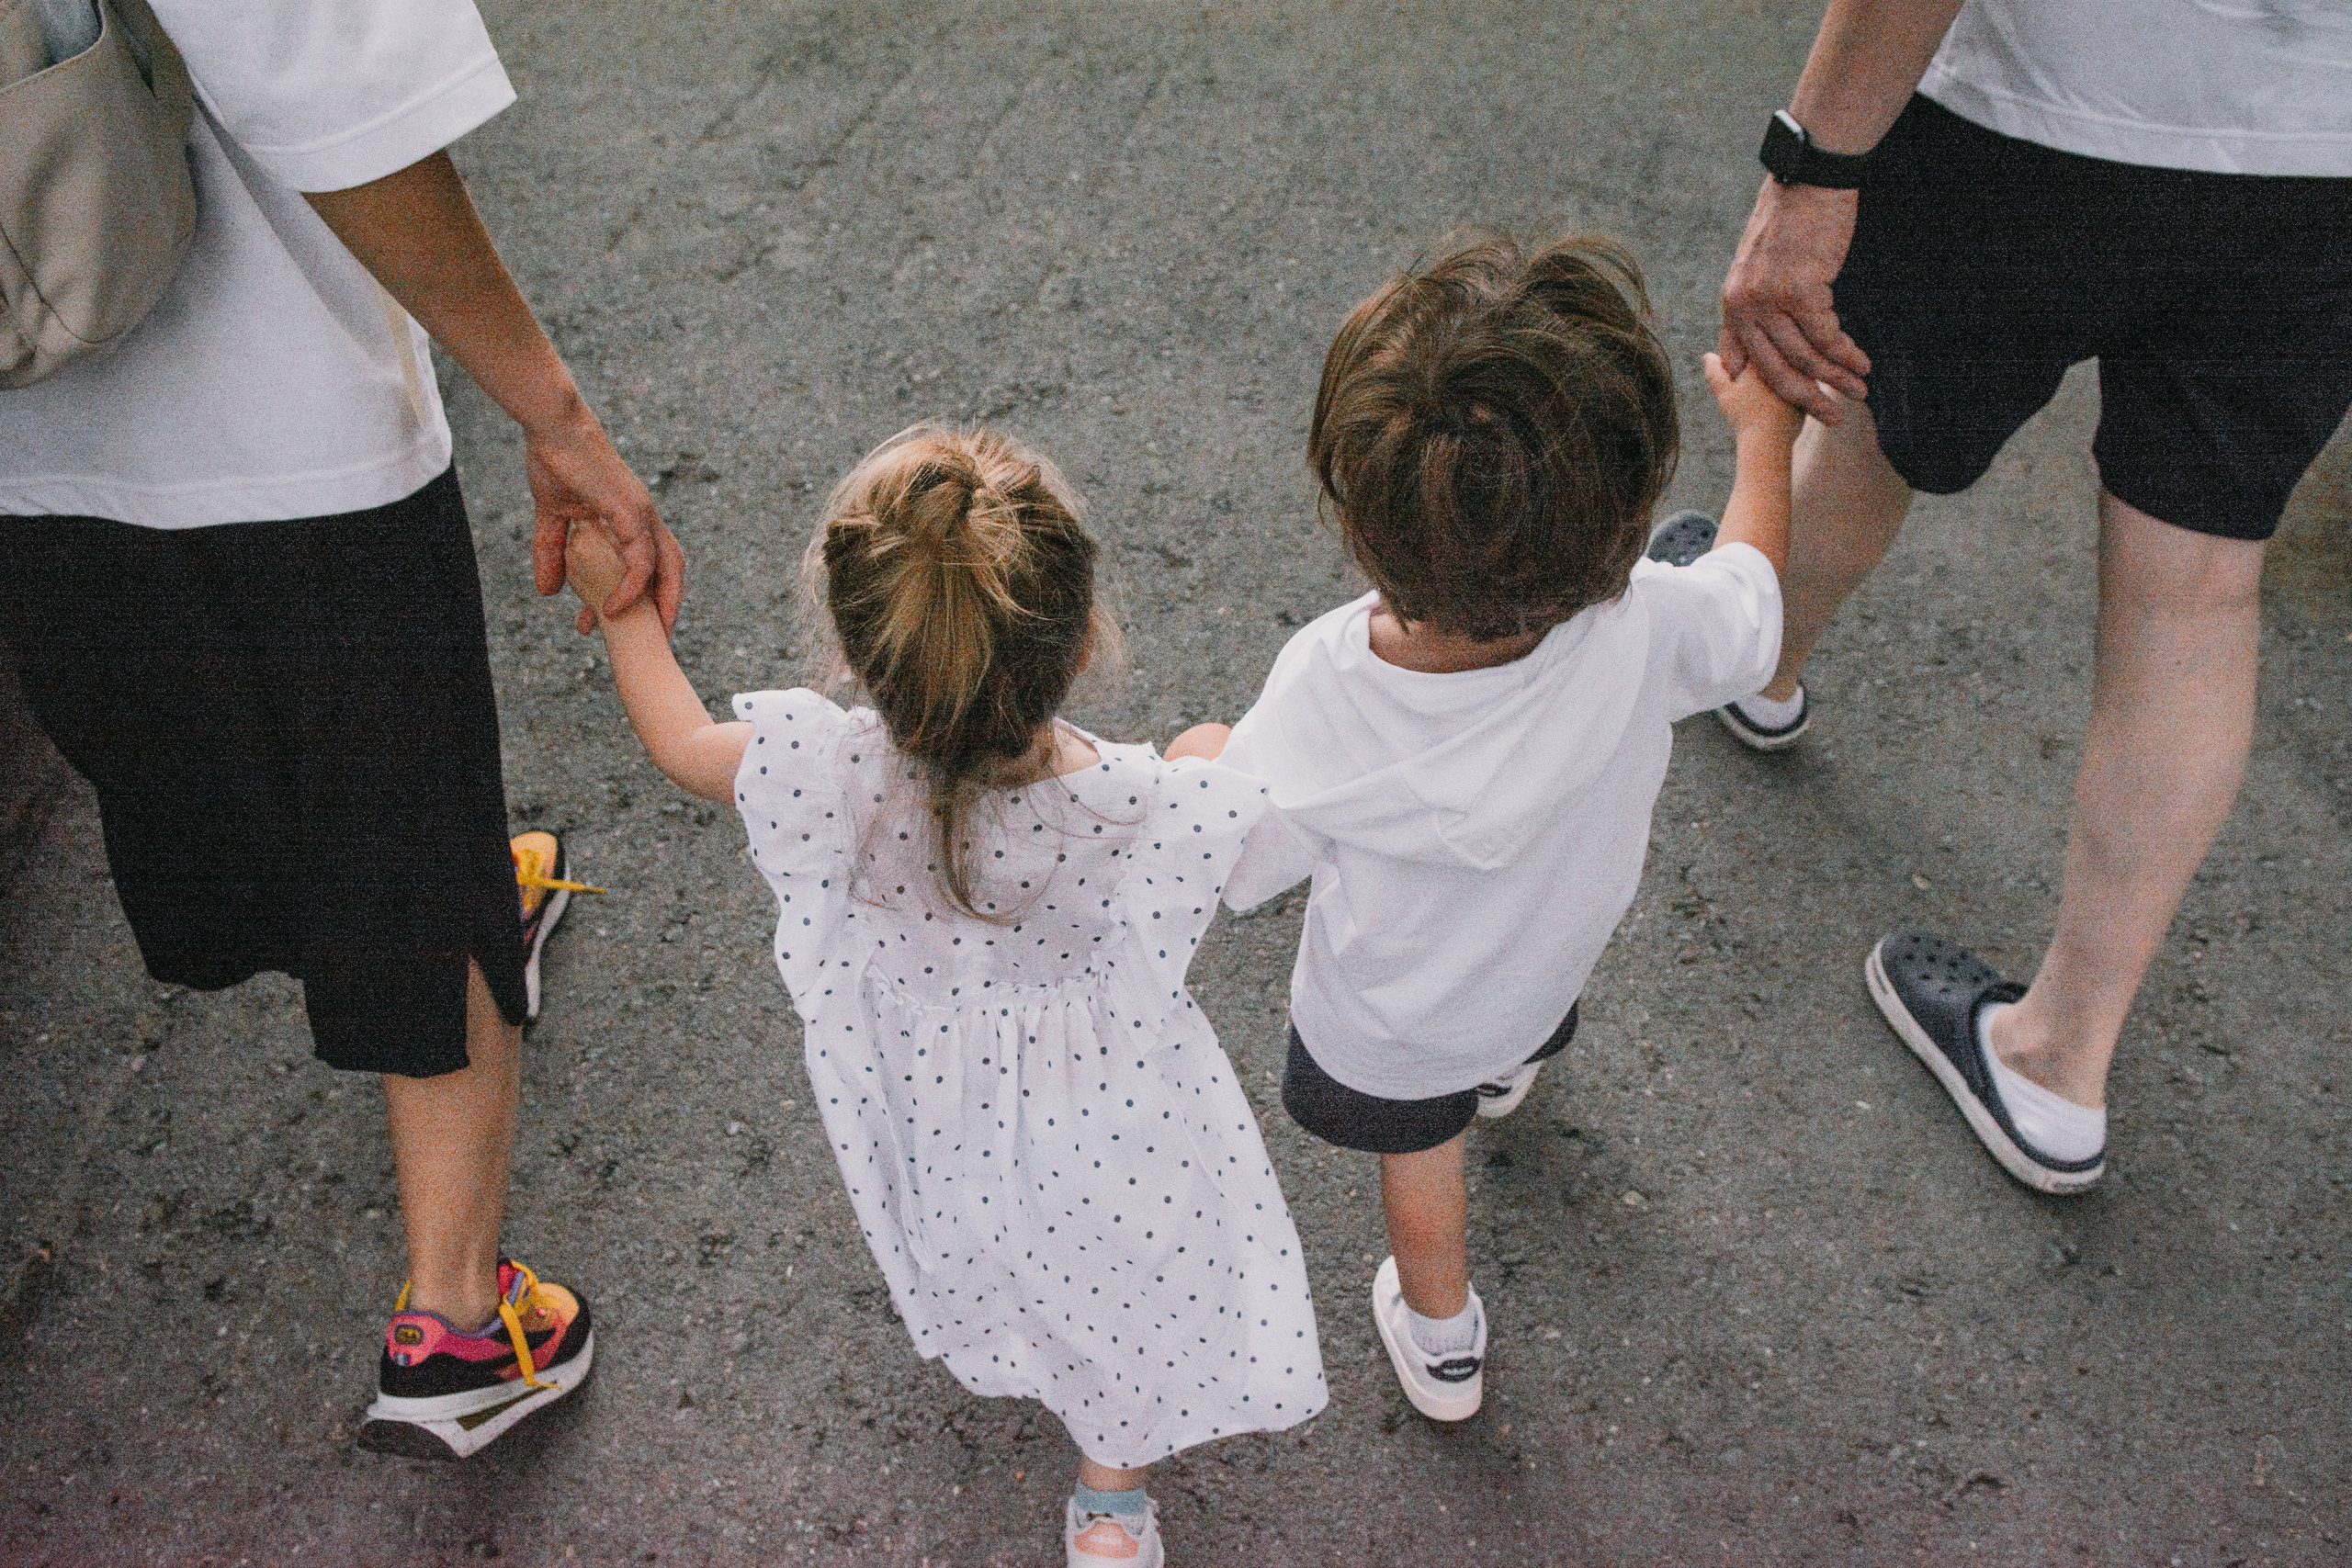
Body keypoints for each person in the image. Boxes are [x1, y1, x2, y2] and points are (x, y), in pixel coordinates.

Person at [0, 0, 678, 1457]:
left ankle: (443, 890)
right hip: (277, 424)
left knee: (189, 764)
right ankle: (455, 1322)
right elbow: (327, 92)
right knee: (405, 839)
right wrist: (556, 415)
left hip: (26, 457)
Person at [563, 424, 1326, 1567]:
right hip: (1106, 1118)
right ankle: (1110, 1505)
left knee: (983, 1223)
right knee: (1112, 1276)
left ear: (864, 658)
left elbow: (680, 743)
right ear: (1078, 652)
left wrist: (619, 606)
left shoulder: (831, 773)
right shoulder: (1143, 802)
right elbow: (1234, 793)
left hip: (936, 1094)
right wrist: (1204, 751)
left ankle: (1004, 1332)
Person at [1713, 0, 2352, 1193]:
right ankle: (2058, 1063)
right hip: (2325, 158)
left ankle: (1756, 660)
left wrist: (1814, 165)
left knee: (1868, 421)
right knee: (2201, 582)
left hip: (2052, 98)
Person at [1199, 235, 1798, 1423]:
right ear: (1624, 512)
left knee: (1423, 1163)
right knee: (1518, 1015)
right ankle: (1515, 1066)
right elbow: (1755, 611)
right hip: (1550, 948)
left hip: (1399, 1020)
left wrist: (1203, 759)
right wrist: (1767, 438)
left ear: (1358, 510)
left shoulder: (1327, 687)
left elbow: (1239, 858)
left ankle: (1444, 1335)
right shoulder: (1643, 620)